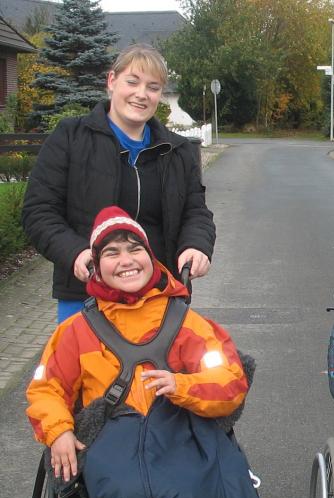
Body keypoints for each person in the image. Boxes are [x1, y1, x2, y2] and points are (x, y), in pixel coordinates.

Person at [26, 206, 263, 498]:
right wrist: (58, 431)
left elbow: (230, 379)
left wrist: (182, 385)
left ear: (150, 257)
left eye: (135, 249)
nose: (126, 260)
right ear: (96, 266)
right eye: (112, 252)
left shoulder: (189, 326)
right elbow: (46, 389)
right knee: (130, 494)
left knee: (212, 491)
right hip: (112, 444)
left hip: (182, 436)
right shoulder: (75, 333)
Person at [22, 43, 215, 323]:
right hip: (86, 296)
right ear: (112, 81)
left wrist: (196, 245)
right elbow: (39, 211)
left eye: (153, 87)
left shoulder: (178, 151)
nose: (141, 94)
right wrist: (75, 252)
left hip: (159, 296)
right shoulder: (70, 138)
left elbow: (195, 212)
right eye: (132, 82)